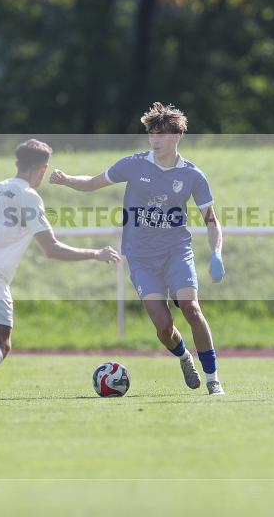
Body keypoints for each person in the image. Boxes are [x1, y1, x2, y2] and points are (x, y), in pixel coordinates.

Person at [50, 102, 227, 395]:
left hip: (176, 252)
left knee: (191, 308)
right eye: (152, 134)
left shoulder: (193, 175)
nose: (155, 140)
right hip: (141, 258)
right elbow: (92, 183)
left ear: (177, 136)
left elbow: (211, 220)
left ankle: (213, 380)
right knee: (164, 327)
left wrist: (217, 253)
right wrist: (67, 179)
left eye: (161, 134)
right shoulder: (134, 164)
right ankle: (184, 356)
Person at [0, 139, 120, 407]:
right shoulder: (28, 196)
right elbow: (51, 249)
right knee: (1, 343)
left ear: (17, 164)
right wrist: (96, 253)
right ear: (43, 169)